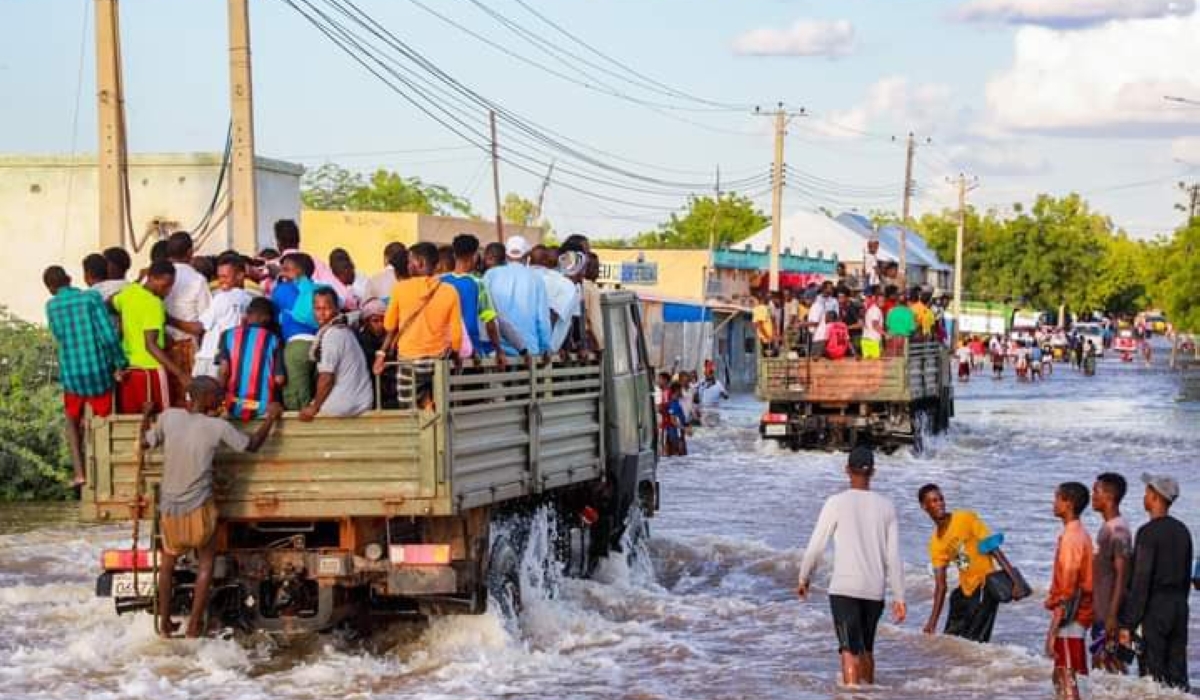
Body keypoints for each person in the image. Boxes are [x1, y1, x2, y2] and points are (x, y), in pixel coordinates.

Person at [143, 376, 281, 637]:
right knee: (206, 563)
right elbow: (251, 446)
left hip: (170, 506)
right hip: (199, 506)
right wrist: (271, 417)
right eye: (217, 395)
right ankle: (194, 625)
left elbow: (143, 443)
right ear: (205, 398)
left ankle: (164, 624)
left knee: (168, 563)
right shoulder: (218, 426)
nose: (221, 399)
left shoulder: (168, 417)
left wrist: (145, 415)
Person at [797, 447, 906, 688]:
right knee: (867, 650)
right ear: (873, 472)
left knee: (849, 651)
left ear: (847, 470)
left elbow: (816, 545)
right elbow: (894, 557)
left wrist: (804, 577)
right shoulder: (887, 506)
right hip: (874, 591)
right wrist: (899, 596)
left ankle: (852, 694)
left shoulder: (836, 502)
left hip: (844, 588)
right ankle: (868, 692)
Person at [43, 266, 128, 488]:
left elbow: (59, 336)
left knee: (71, 418)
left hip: (72, 375)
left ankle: (79, 473)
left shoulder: (51, 306)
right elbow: (108, 336)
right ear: (70, 279)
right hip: (99, 373)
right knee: (107, 416)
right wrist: (120, 363)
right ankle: (110, 471)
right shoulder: (90, 298)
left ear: (50, 289)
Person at [1119, 474, 1193, 690]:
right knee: (1177, 675)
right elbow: (1186, 575)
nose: (1144, 497)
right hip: (1179, 607)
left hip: (1155, 608)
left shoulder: (1147, 533)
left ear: (1154, 497)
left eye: (1146, 493)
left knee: (1152, 675)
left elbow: (1141, 581)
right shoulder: (1183, 531)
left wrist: (1128, 623)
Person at [918, 484, 1000, 642]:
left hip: (986, 586)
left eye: (941, 499)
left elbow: (992, 546)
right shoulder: (936, 543)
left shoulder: (965, 518)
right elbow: (941, 586)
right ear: (924, 506)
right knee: (952, 640)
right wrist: (932, 622)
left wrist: (1015, 580)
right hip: (966, 591)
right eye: (934, 501)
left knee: (977, 643)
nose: (940, 503)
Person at [112, 261, 190, 413]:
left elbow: (109, 303)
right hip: (151, 372)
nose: (167, 291)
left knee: (133, 422)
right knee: (162, 421)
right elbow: (150, 345)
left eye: (170, 286)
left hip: (130, 370)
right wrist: (180, 374)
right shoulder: (154, 304)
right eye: (165, 285)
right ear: (152, 278)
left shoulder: (129, 292)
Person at [1045, 482, 1094, 700]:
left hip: (1071, 616)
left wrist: (1053, 629)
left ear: (1068, 503)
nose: (1053, 503)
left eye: (1057, 498)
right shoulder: (1079, 533)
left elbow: (1067, 590)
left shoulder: (1071, 538)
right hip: (1078, 613)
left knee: (1067, 678)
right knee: (1060, 676)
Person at [301, 288, 374, 420]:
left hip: (344, 406)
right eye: (317, 309)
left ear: (336, 309)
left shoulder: (332, 335)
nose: (321, 314)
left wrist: (314, 407)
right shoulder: (344, 330)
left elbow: (326, 378)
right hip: (363, 401)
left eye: (326, 308)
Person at [1089, 473, 1132, 674]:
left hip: (1109, 616)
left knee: (1111, 669)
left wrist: (1112, 617)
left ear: (1109, 496)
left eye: (1096, 491)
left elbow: (1122, 576)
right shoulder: (1108, 528)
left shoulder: (1117, 530)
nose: (1092, 496)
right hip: (1102, 613)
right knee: (1104, 671)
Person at [217, 297, 285, 421]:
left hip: (232, 404)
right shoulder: (274, 339)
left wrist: (219, 399)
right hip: (262, 407)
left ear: (248, 313)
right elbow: (279, 379)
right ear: (267, 318)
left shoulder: (228, 335)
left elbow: (223, 371)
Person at [441, 234, 505, 366]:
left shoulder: (441, 281)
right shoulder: (478, 283)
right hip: (471, 351)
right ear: (475, 256)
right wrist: (499, 350)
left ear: (454, 255)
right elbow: (489, 322)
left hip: (444, 349)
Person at [482, 235, 551, 358]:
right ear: (527, 256)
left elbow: (484, 312)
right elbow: (543, 320)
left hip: (496, 352)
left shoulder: (490, 275)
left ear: (506, 255)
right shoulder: (536, 280)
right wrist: (545, 348)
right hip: (529, 353)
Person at [162, 232, 212, 394]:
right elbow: (204, 326)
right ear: (190, 252)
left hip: (159, 348)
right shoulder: (197, 279)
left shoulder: (151, 277)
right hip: (187, 349)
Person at [271, 252, 322, 410]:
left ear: (299, 271)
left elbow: (273, 316)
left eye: (286, 269)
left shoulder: (282, 290)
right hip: (322, 343)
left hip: (296, 345)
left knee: (296, 396)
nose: (282, 273)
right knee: (315, 389)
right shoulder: (321, 289)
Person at [193, 254, 254, 378]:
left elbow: (199, 327)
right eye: (219, 277)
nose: (221, 281)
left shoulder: (222, 297)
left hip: (211, 357)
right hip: (234, 359)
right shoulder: (250, 299)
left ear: (240, 275)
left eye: (225, 277)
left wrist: (169, 319)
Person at [531, 246, 580, 354]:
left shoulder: (526, 276)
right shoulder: (565, 284)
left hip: (517, 345)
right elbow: (553, 314)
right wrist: (545, 347)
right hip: (544, 350)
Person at [355, 298, 398, 409]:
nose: (381, 324)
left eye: (383, 320)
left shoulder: (392, 339)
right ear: (366, 322)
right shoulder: (362, 340)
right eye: (375, 321)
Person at [697, 363, 728, 428]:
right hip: (704, 409)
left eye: (710, 373)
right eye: (707, 373)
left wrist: (723, 394)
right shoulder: (701, 382)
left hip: (715, 409)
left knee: (715, 427)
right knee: (705, 427)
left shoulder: (718, 383)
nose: (709, 375)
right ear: (705, 374)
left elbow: (726, 396)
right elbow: (696, 394)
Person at [662, 381, 688, 456]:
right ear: (677, 391)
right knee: (679, 455)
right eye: (681, 390)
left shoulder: (676, 402)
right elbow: (673, 421)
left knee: (679, 458)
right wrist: (685, 429)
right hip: (675, 435)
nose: (682, 392)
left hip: (677, 435)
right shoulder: (673, 404)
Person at [861, 287, 884, 360]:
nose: (883, 302)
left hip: (865, 340)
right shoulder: (876, 310)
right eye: (881, 301)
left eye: (883, 300)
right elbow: (875, 325)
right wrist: (885, 334)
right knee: (877, 367)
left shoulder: (869, 309)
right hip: (874, 341)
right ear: (875, 300)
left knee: (867, 366)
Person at [752, 289, 777, 356]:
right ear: (762, 298)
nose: (769, 299)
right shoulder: (760, 308)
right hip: (765, 340)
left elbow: (755, 325)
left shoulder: (764, 308)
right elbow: (759, 325)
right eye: (767, 297)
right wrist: (768, 337)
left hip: (766, 339)